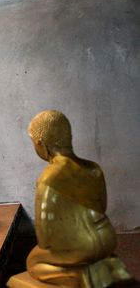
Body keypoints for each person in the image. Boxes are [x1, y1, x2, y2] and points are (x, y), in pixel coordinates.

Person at [23, 110, 131, 287]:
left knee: (33, 262)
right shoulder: (94, 168)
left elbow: (45, 237)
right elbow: (102, 207)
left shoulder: (48, 178)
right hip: (108, 238)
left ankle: (79, 277)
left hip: (82, 248)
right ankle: (109, 264)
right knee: (89, 249)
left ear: (41, 144)